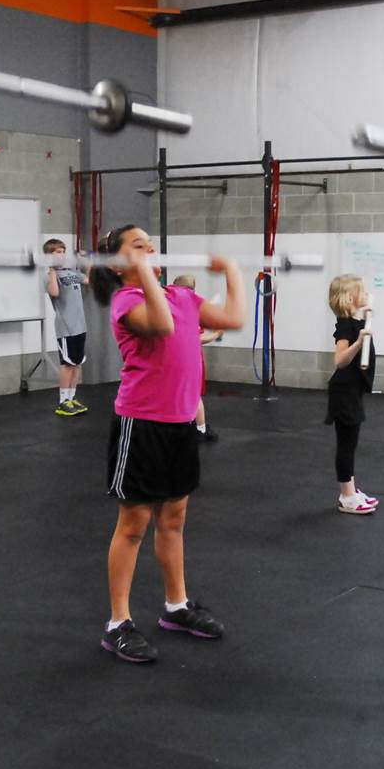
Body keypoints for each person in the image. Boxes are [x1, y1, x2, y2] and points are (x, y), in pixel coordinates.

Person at [90, 228, 243, 663]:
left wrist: (231, 269)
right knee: (135, 523)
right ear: (116, 265)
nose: (150, 251)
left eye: (151, 245)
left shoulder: (181, 295)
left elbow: (231, 319)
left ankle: (176, 607)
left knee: (173, 518)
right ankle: (118, 622)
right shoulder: (127, 302)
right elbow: (161, 325)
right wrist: (142, 275)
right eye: (138, 246)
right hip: (141, 425)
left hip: (179, 425)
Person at [324, 273, 378, 514]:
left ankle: (352, 490)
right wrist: (358, 343)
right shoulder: (345, 324)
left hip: (353, 391)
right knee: (346, 444)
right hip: (343, 392)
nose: (366, 294)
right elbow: (340, 360)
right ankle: (346, 497)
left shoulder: (358, 321)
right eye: (362, 291)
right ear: (350, 297)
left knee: (351, 443)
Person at [173, 273, 221, 443]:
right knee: (183, 394)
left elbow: (196, 337)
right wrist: (215, 334)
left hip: (189, 360)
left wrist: (215, 334)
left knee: (192, 395)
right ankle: (192, 426)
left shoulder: (187, 309)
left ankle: (200, 429)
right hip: (181, 358)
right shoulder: (184, 308)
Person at [46, 238, 89, 416]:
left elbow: (88, 280)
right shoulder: (49, 275)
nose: (62, 255)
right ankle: (62, 401)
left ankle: (72, 397)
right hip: (66, 327)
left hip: (80, 326)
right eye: (58, 252)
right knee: (67, 365)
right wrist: (51, 270)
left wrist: (87, 263)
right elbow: (54, 292)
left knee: (77, 364)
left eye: (63, 251)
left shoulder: (71, 272)